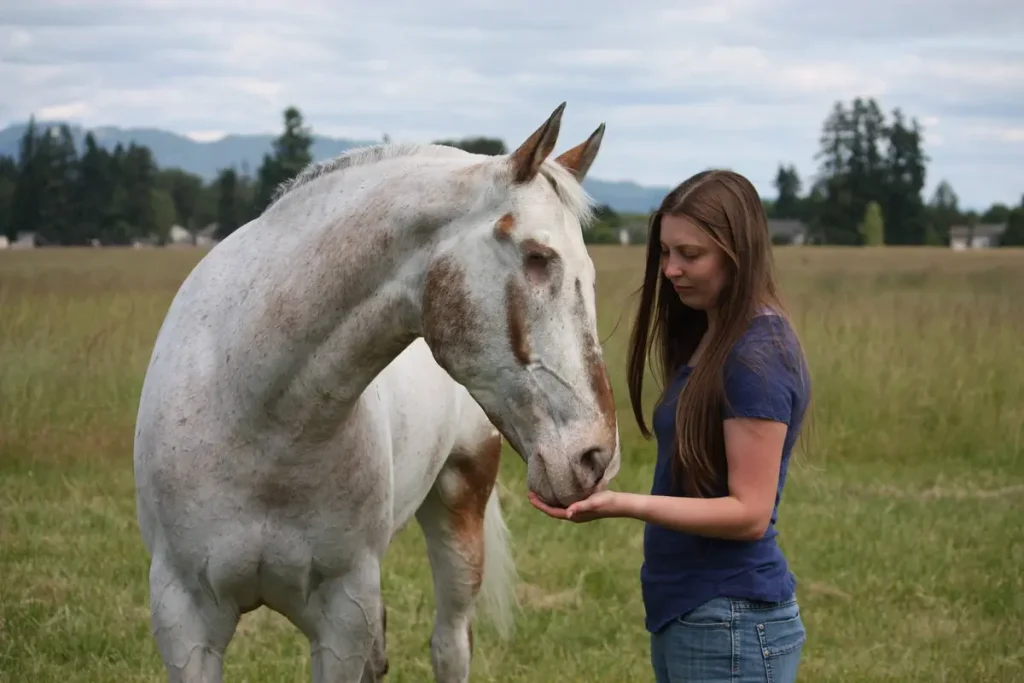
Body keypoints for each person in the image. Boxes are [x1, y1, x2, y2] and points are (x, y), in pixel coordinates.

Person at [529, 168, 812, 682]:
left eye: (690, 254)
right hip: (697, 614)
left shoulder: (756, 356)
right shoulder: (718, 338)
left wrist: (623, 504)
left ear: (737, 254)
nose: (670, 270)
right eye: (664, 252)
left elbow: (749, 513)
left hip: (731, 620)